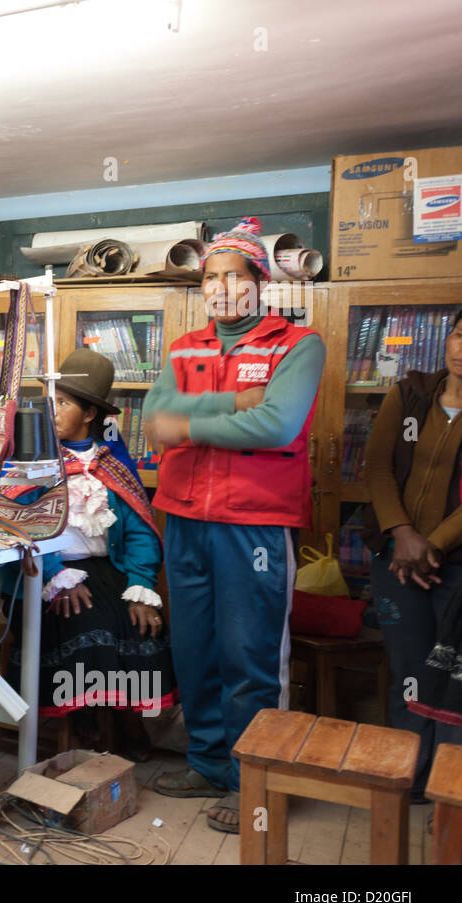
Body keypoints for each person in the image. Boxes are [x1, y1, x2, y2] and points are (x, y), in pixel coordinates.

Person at [143, 217, 327, 833]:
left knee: (250, 656)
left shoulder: (297, 346)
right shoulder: (182, 348)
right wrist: (235, 404)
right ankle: (207, 762)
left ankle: (258, 782)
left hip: (255, 523)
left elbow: (277, 426)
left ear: (260, 281)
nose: (221, 288)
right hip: (185, 518)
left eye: (233, 276)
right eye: (210, 277)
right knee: (194, 650)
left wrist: (190, 423)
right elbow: (152, 419)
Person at [5, 350, 173, 753]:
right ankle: (83, 720)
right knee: (86, 622)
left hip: (108, 570)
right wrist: (56, 578)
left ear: (89, 414)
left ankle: (125, 718)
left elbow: (140, 532)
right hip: (47, 575)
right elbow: (15, 525)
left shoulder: (113, 462)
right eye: (50, 400)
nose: (52, 409)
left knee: (140, 622)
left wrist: (140, 586)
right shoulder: (31, 459)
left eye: (63, 402)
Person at [363, 306, 462, 793]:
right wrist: (402, 532)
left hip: (454, 566)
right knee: (409, 668)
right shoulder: (410, 392)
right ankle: (408, 777)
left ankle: (448, 790)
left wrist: (433, 546)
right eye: (461, 336)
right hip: (397, 560)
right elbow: (377, 468)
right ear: (449, 339)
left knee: (453, 681)